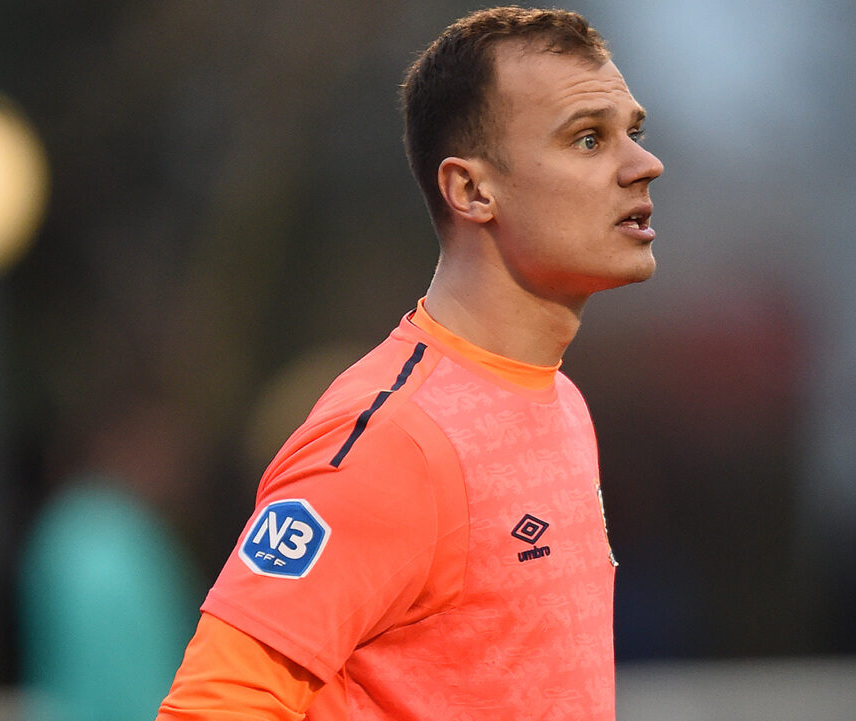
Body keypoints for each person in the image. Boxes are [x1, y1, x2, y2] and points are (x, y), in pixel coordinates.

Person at [157, 6, 663, 719]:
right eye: (588, 139)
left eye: (632, 133)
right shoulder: (394, 439)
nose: (644, 165)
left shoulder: (564, 401)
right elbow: (215, 703)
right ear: (472, 190)